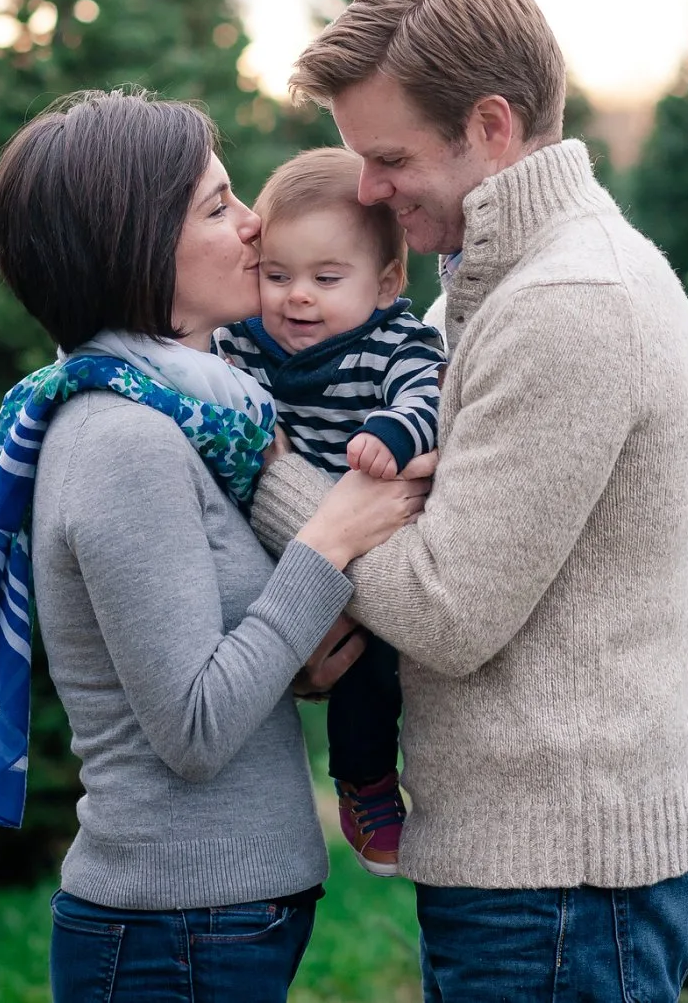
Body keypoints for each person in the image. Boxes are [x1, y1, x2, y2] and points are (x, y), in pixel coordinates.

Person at [245, 0, 688, 1003]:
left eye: (388, 157)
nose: (365, 190)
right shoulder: (484, 286)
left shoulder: (569, 303)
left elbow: (447, 606)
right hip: (523, 869)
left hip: (560, 881)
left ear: (491, 129)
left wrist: (267, 471)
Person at [0, 89, 431, 1003]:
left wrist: (298, 667)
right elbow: (193, 729)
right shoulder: (125, 439)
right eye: (218, 206)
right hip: (173, 932)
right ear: (136, 248)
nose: (252, 226)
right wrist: (330, 537)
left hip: (209, 923)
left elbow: (203, 661)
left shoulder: (197, 415)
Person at [216, 145, 445, 877]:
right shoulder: (241, 342)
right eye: (277, 275)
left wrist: (392, 433)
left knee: (371, 668)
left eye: (325, 277)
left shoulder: (392, 342)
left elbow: (432, 398)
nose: (297, 297)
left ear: (385, 283)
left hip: (368, 551)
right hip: (271, 551)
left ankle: (365, 777)